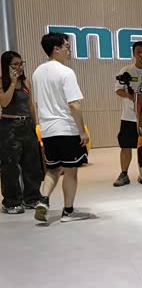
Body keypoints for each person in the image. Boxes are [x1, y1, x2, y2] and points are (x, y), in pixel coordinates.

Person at [31, 33, 91, 223]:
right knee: (71, 171)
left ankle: (44, 200)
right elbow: (74, 104)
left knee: (52, 169)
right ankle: (68, 211)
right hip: (66, 129)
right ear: (56, 49)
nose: (69, 50)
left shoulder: (37, 73)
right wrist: (82, 131)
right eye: (67, 46)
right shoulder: (66, 72)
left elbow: (36, 102)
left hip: (47, 130)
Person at [0, 51, 43, 214]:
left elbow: (30, 104)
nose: (19, 67)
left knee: (32, 164)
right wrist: (12, 83)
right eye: (15, 65)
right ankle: (11, 202)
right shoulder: (2, 82)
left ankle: (31, 198)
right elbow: (4, 102)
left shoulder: (26, 81)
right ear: (6, 66)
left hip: (27, 124)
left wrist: (35, 124)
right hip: (9, 126)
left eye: (21, 64)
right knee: (10, 166)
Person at [113, 41, 142, 187]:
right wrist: (129, 96)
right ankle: (124, 174)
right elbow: (118, 90)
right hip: (129, 116)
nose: (141, 53)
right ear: (133, 53)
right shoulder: (126, 70)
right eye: (138, 51)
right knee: (126, 146)